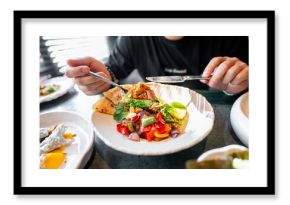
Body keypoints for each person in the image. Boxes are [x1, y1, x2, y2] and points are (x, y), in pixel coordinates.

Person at [65, 36, 248, 95]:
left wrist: (238, 85)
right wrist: (101, 80)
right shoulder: (132, 37)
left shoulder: (232, 35)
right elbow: (112, 72)